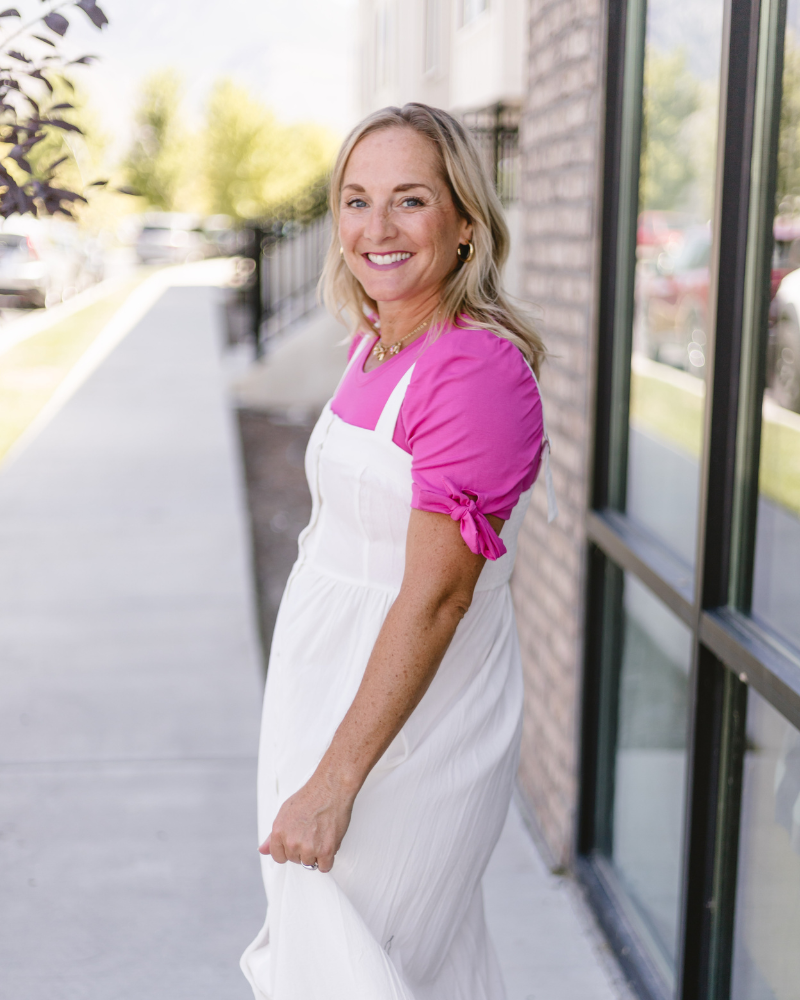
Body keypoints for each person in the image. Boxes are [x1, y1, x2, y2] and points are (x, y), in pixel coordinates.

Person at [240, 102, 556, 1000]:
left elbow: (437, 601)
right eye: (356, 199)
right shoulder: (378, 339)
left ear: (464, 222)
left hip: (407, 736)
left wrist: (336, 782)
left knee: (342, 967)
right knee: (409, 967)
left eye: (409, 200)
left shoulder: (477, 373)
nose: (376, 228)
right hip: (327, 700)